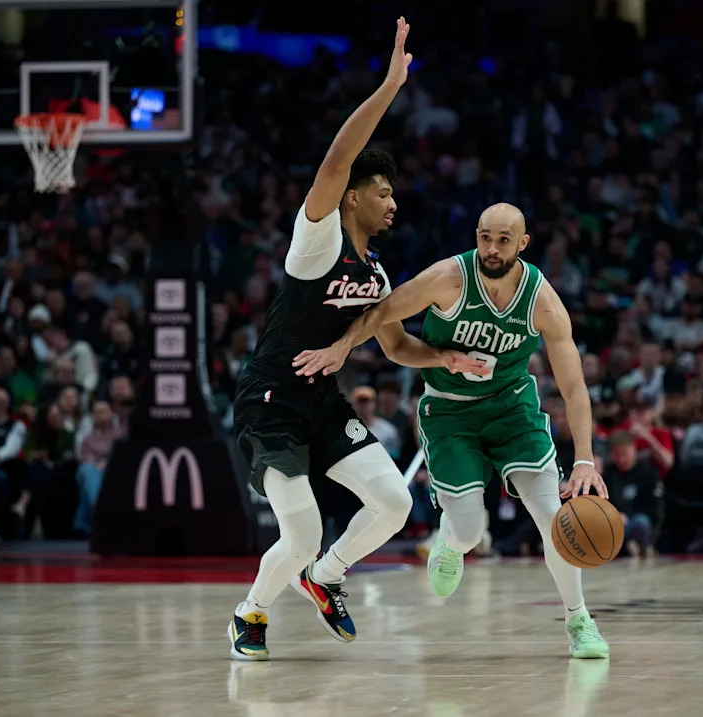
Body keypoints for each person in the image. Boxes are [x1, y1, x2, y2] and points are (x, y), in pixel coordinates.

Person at [227, 18, 485, 662]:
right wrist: (391, 85)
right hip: (272, 404)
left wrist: (444, 355)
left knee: (394, 502)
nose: (393, 202)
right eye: (383, 192)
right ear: (351, 199)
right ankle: (250, 613)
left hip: (321, 406)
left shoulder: (376, 273)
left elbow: (396, 347)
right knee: (302, 529)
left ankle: (327, 576)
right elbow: (336, 160)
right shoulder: (318, 240)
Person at [294, 202, 611, 659]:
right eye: (485, 236)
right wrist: (342, 347)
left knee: (554, 520)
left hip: (512, 411)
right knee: (467, 531)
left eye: (504, 239)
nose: (493, 247)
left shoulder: (542, 301)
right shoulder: (448, 278)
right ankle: (449, 543)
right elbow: (383, 312)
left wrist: (584, 459)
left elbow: (574, 387)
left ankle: (579, 620)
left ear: (522, 244)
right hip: (450, 411)